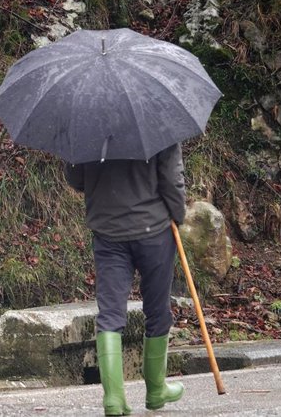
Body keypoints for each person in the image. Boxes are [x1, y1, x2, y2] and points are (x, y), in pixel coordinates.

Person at [64, 143, 186, 416]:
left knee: (110, 314)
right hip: (153, 231)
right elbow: (172, 180)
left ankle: (114, 399)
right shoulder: (158, 123)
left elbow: (76, 178)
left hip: (108, 234)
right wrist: (179, 215)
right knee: (157, 310)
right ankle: (156, 391)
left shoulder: (87, 126)